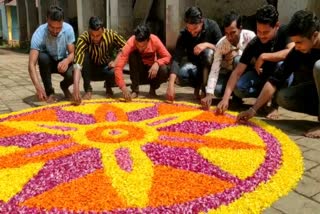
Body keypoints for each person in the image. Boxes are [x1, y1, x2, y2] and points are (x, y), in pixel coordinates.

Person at [238, 10, 320, 139]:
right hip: (315, 90)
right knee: (283, 97)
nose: (296, 47)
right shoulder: (297, 51)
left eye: (299, 42)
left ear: (314, 35)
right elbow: (274, 80)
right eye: (294, 42)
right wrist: (252, 110)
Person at [216, 5, 294, 118]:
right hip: (262, 77)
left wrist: (264, 56)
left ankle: (274, 105)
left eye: (266, 32)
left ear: (276, 26)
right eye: (259, 31)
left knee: (282, 64)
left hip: (281, 77)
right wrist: (225, 99)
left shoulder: (284, 32)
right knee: (239, 89)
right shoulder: (254, 43)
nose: (261, 36)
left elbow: (291, 52)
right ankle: (263, 98)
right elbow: (237, 72)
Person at [201, 11, 256, 109]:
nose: (229, 37)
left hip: (249, 72)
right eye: (226, 33)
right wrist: (209, 93)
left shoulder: (251, 37)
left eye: (233, 33)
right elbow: (215, 69)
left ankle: (236, 98)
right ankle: (230, 93)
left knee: (238, 59)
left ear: (240, 28)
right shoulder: (221, 44)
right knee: (217, 91)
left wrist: (238, 55)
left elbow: (257, 59)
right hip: (230, 74)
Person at [166, 6, 222, 102]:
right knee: (181, 74)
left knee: (207, 53)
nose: (192, 32)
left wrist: (207, 44)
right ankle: (198, 85)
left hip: (213, 69)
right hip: (196, 67)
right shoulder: (184, 34)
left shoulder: (213, 26)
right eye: (189, 29)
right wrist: (170, 85)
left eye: (195, 28)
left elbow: (223, 49)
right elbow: (176, 58)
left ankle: (205, 89)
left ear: (202, 21)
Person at [72, 16, 126, 104]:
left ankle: (108, 87)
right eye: (93, 35)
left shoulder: (111, 34)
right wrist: (76, 88)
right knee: (84, 57)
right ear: (89, 30)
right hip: (89, 70)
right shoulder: (83, 39)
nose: (96, 38)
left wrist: (115, 61)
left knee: (113, 71)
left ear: (103, 31)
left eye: (98, 35)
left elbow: (125, 47)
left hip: (106, 67)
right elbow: (77, 64)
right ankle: (88, 90)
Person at [28, 5, 75, 103]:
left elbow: (72, 53)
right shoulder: (39, 33)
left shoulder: (68, 29)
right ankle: (50, 93)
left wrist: (66, 61)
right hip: (49, 63)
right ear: (47, 20)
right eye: (51, 27)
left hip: (63, 61)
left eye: (58, 27)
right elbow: (31, 64)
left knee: (75, 72)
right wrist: (38, 87)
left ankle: (64, 86)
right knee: (42, 57)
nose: (55, 31)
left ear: (62, 22)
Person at [114, 24, 171, 101]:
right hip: (137, 72)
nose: (140, 48)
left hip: (151, 72)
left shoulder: (155, 40)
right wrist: (123, 87)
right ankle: (135, 90)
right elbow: (118, 67)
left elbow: (168, 56)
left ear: (148, 40)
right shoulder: (130, 42)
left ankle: (153, 88)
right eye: (137, 45)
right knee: (132, 54)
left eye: (143, 46)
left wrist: (157, 63)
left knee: (164, 69)